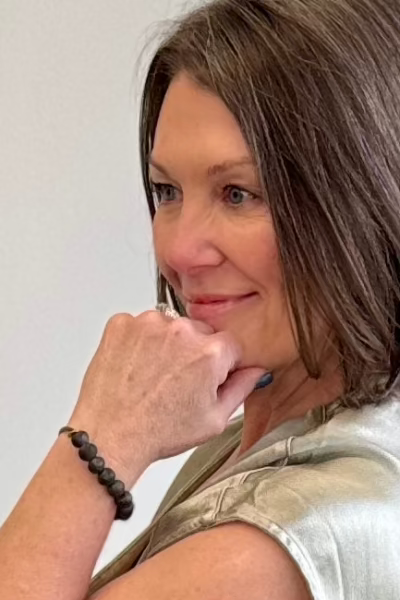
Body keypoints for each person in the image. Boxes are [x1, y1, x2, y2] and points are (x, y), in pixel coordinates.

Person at [1, 0, 400, 598]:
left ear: (364, 203)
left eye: (238, 193)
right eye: (167, 190)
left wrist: (102, 435)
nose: (181, 251)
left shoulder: (274, 543)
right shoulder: (285, 435)